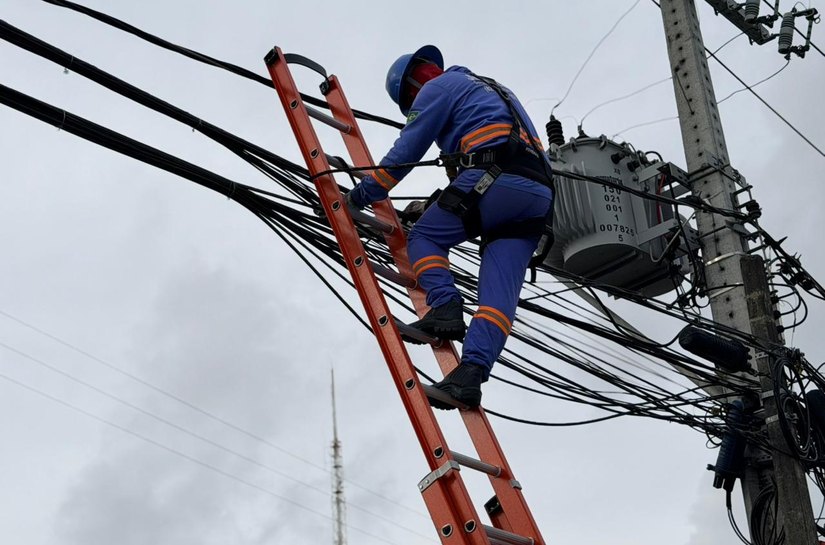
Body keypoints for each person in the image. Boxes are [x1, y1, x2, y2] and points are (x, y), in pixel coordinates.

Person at [346, 45, 554, 410]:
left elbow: (405, 153)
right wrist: (428, 206)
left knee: (425, 236)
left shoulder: (436, 90)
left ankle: (445, 307)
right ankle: (471, 374)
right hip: (536, 197)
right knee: (496, 297)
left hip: (496, 178)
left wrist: (360, 196)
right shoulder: (492, 90)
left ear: (412, 87)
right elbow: (469, 181)